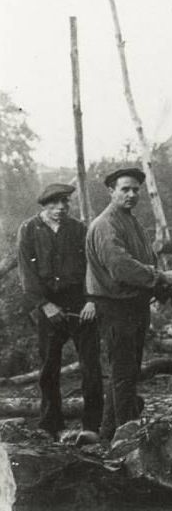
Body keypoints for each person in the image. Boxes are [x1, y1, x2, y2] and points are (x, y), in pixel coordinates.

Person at [86, 168, 172, 440]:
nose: (131, 194)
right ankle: (127, 438)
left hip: (133, 306)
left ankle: (108, 432)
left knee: (126, 372)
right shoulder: (106, 225)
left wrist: (164, 284)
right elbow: (121, 267)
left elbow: (147, 260)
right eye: (125, 189)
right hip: (115, 308)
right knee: (123, 373)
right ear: (111, 191)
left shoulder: (132, 223)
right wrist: (161, 277)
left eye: (135, 190)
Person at [17, 183, 102, 443]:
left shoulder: (79, 229)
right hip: (48, 303)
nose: (61, 209)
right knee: (48, 367)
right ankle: (51, 425)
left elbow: (93, 266)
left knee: (90, 365)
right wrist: (44, 305)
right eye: (54, 204)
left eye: (65, 203)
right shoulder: (29, 230)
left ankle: (92, 425)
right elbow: (26, 273)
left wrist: (91, 300)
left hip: (80, 301)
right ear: (44, 206)